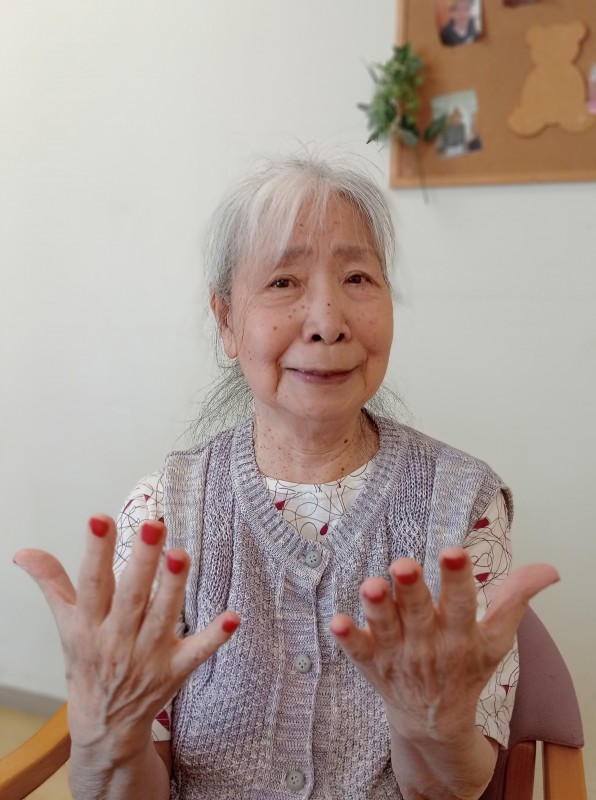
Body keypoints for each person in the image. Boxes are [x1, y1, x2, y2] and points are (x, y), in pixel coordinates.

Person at [14, 155, 558, 800]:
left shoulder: (464, 503)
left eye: (357, 277)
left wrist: (431, 730)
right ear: (226, 321)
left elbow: (455, 787)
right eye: (282, 282)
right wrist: (108, 738)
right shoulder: (164, 511)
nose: (327, 321)